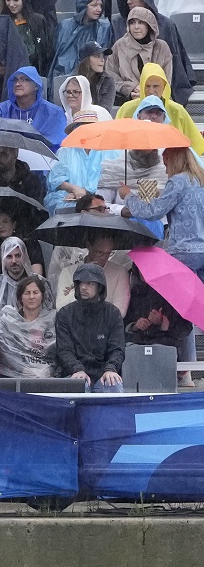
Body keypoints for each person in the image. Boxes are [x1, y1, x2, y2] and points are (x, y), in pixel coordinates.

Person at [123, 146, 204, 274]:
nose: (166, 171)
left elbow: (152, 212)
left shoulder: (177, 181)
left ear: (174, 162)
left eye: (166, 165)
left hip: (183, 250)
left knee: (179, 291)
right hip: (202, 249)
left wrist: (128, 196)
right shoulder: (200, 180)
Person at [52, 263, 126, 391]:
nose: (84, 287)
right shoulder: (65, 314)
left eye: (90, 283)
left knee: (114, 385)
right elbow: (64, 350)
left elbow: (117, 349)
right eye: (81, 283)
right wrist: (76, 369)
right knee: (78, 385)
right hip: (73, 373)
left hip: (103, 373)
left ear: (100, 287)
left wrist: (111, 369)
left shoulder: (112, 313)